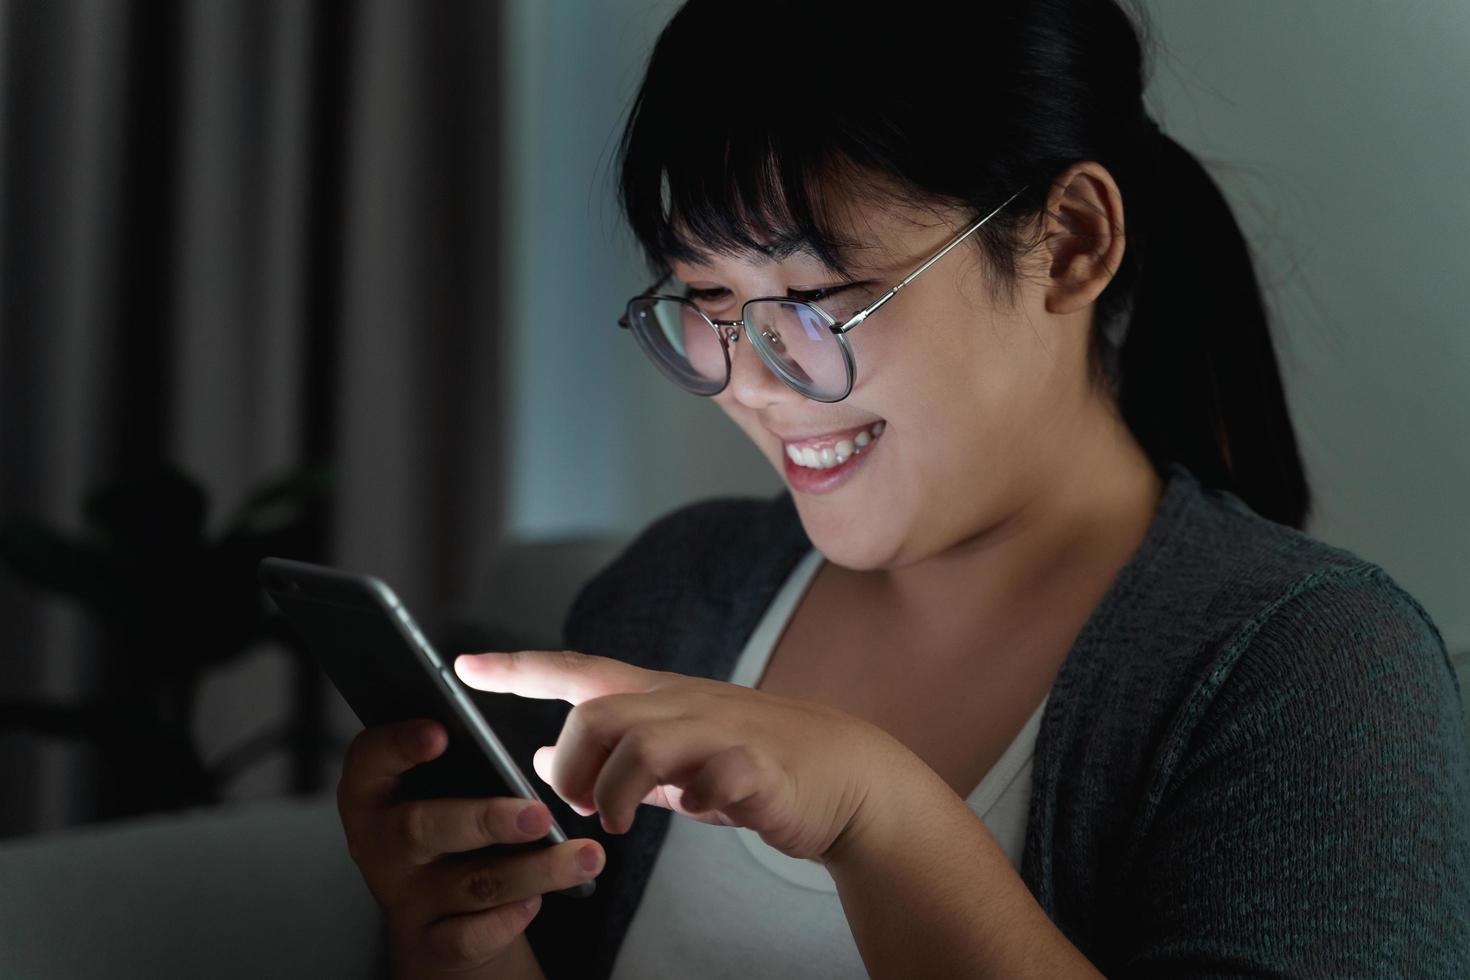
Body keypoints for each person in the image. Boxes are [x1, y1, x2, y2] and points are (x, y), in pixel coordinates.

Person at [334, 1, 1470, 977]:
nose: (759, 387)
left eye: (820, 299)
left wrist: (883, 818)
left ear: (1071, 241)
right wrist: (463, 942)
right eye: (706, 299)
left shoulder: (1315, 671)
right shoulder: (675, 593)